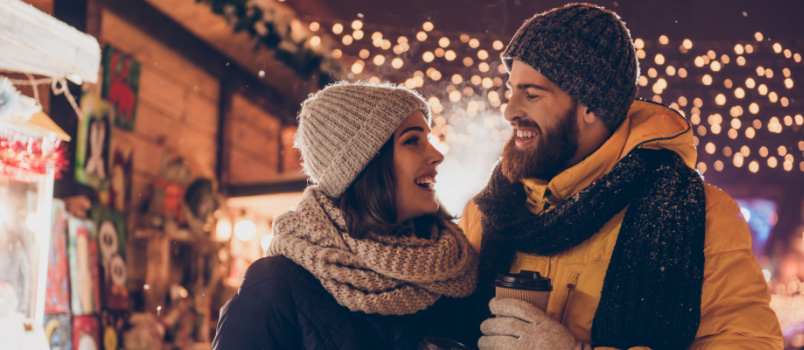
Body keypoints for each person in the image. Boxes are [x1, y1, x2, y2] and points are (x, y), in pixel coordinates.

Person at [458, 3, 783, 350]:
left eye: (532, 94)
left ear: (591, 106)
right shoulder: (487, 212)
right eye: (511, 90)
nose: (509, 110)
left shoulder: (700, 215)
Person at [212, 81, 478, 349]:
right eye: (412, 141)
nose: (436, 155)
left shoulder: (454, 273)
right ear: (365, 165)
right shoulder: (278, 286)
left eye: (429, 140)